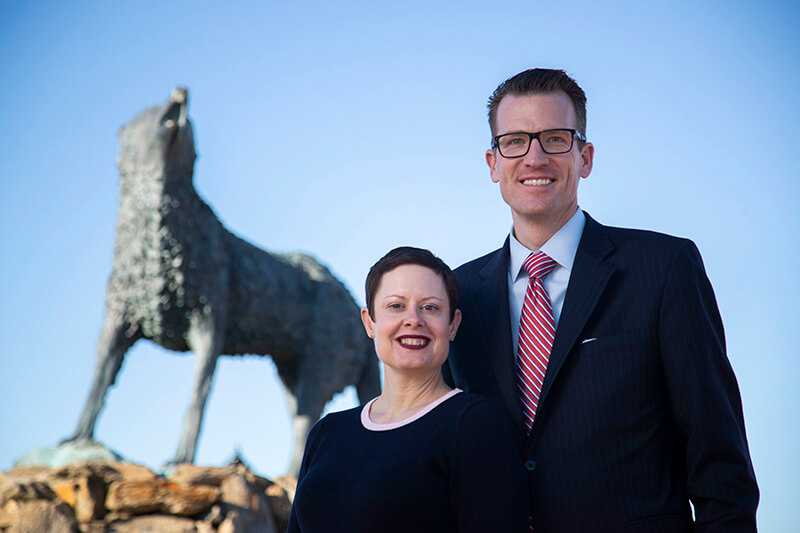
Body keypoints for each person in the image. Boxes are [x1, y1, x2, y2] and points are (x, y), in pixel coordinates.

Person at [443, 69, 759, 532]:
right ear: (493, 163)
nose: (534, 156)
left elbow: (719, 458)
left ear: (584, 157)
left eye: (554, 138)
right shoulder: (457, 295)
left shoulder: (664, 267)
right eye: (514, 141)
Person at [287, 247, 528, 533]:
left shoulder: (478, 426)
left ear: (452, 325)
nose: (413, 319)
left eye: (430, 307)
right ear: (369, 322)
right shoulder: (326, 433)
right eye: (396, 306)